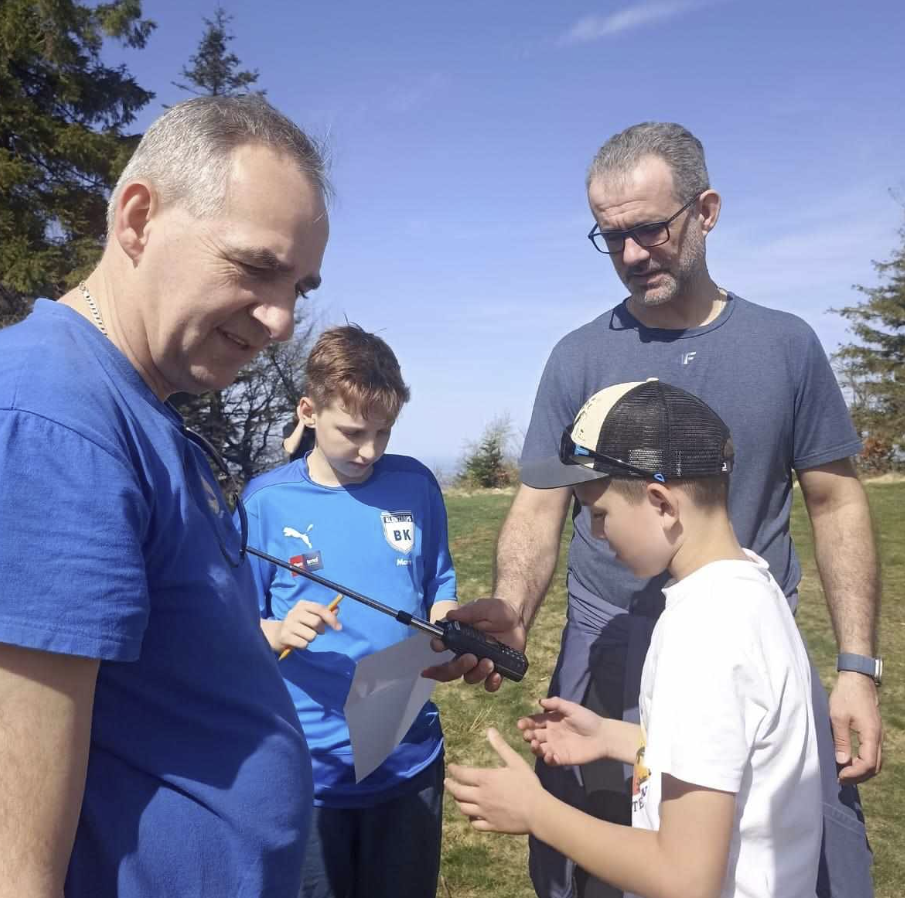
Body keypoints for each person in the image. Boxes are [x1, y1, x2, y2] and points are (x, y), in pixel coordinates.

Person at [426, 122, 881, 898]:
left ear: (705, 211)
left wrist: (856, 668)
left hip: (738, 641)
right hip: (606, 639)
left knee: (787, 838)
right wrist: (511, 610)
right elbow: (539, 505)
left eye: (648, 229)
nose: (631, 254)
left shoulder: (785, 345)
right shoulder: (577, 356)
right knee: (593, 858)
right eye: (610, 238)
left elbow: (835, 502)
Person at [0, 95, 330, 897]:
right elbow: (17, 858)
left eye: (299, 285)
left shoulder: (128, 401)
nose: (284, 320)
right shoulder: (55, 419)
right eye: (256, 266)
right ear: (138, 219)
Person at [447, 378, 823, 898]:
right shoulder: (749, 587)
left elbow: (685, 878)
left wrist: (537, 812)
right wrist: (613, 738)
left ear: (662, 503)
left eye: (599, 514)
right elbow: (733, 749)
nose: (596, 534)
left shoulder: (704, 632)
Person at [242, 324, 458, 898]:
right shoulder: (265, 503)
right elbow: (231, 630)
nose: (370, 451)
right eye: (354, 433)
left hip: (408, 754)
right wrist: (277, 630)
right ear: (308, 412)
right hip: (312, 771)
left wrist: (448, 620)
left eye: (384, 432)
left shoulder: (415, 484)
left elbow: (438, 579)